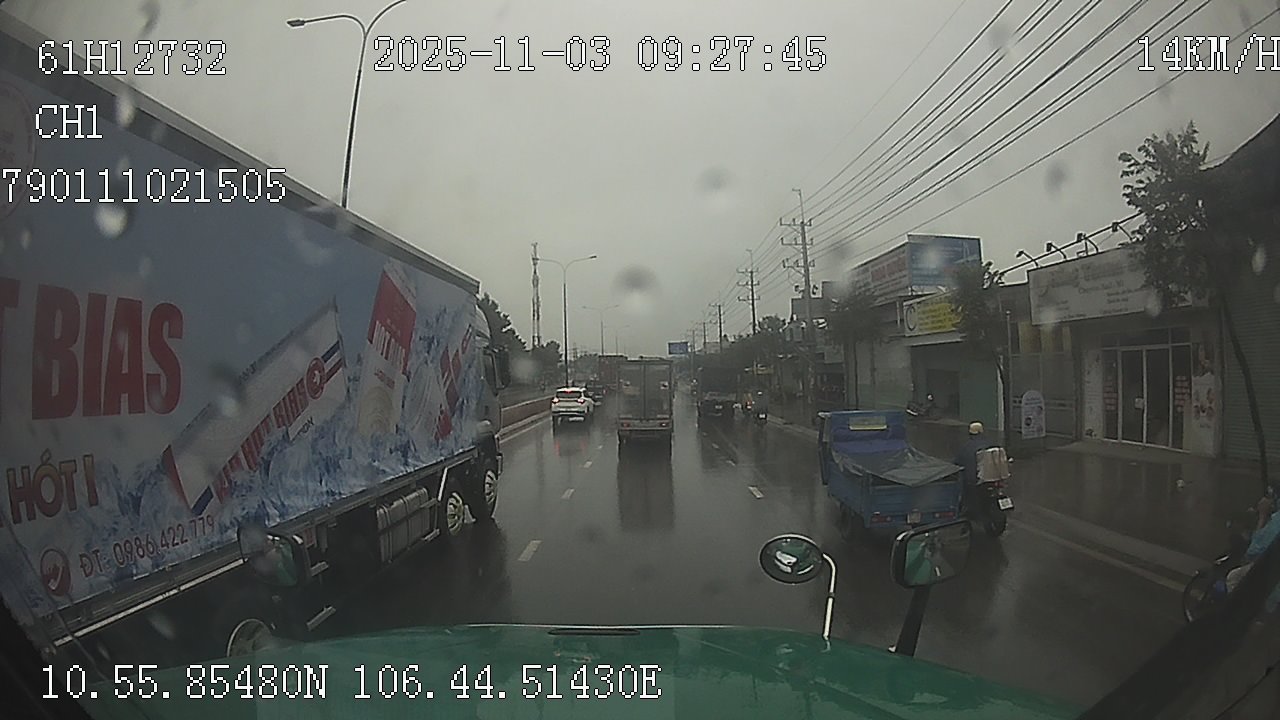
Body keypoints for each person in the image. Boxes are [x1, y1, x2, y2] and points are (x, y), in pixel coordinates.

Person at [954, 421, 994, 513]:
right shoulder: (990, 443)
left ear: (970, 433)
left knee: (966, 490)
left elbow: (957, 462)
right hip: (992, 478)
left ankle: (969, 511)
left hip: (974, 480)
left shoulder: (966, 447)